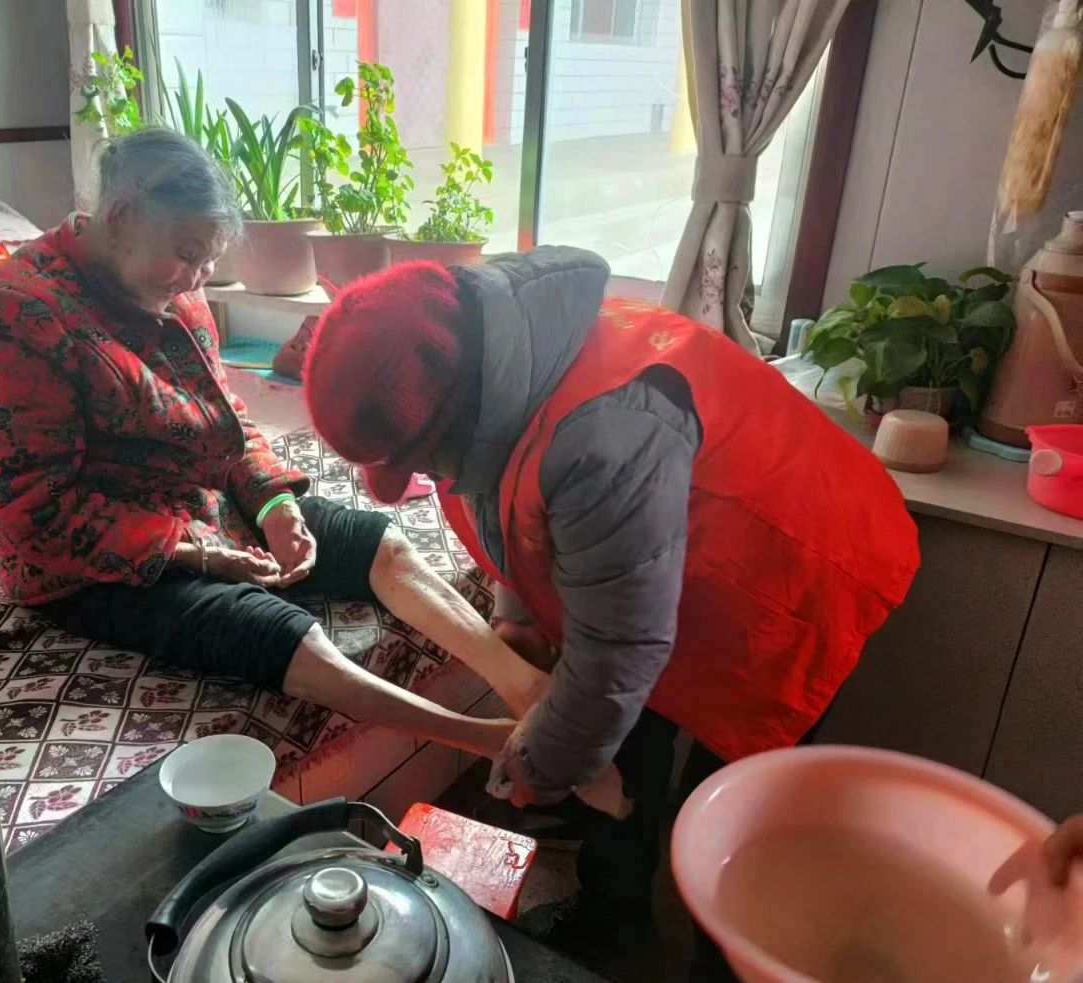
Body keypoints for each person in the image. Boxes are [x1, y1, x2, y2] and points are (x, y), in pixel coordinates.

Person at [303, 250, 921, 962]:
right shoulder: (494, 357)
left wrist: (541, 766)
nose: (423, 476)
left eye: (420, 460)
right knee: (624, 744)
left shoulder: (601, 434)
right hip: (660, 570)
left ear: (454, 414)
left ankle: (725, 965)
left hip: (791, 570)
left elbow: (617, 657)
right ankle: (614, 924)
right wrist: (517, 615)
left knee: (735, 820)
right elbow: (500, 490)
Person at [0, 129, 552, 765]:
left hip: (206, 505)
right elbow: (32, 514)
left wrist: (273, 504)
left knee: (382, 546)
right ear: (120, 218)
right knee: (284, 636)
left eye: (209, 261)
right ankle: (491, 742)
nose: (197, 277)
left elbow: (226, 420)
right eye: (188, 255)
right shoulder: (12, 317)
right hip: (95, 563)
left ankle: (526, 688)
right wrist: (201, 553)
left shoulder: (177, 287)